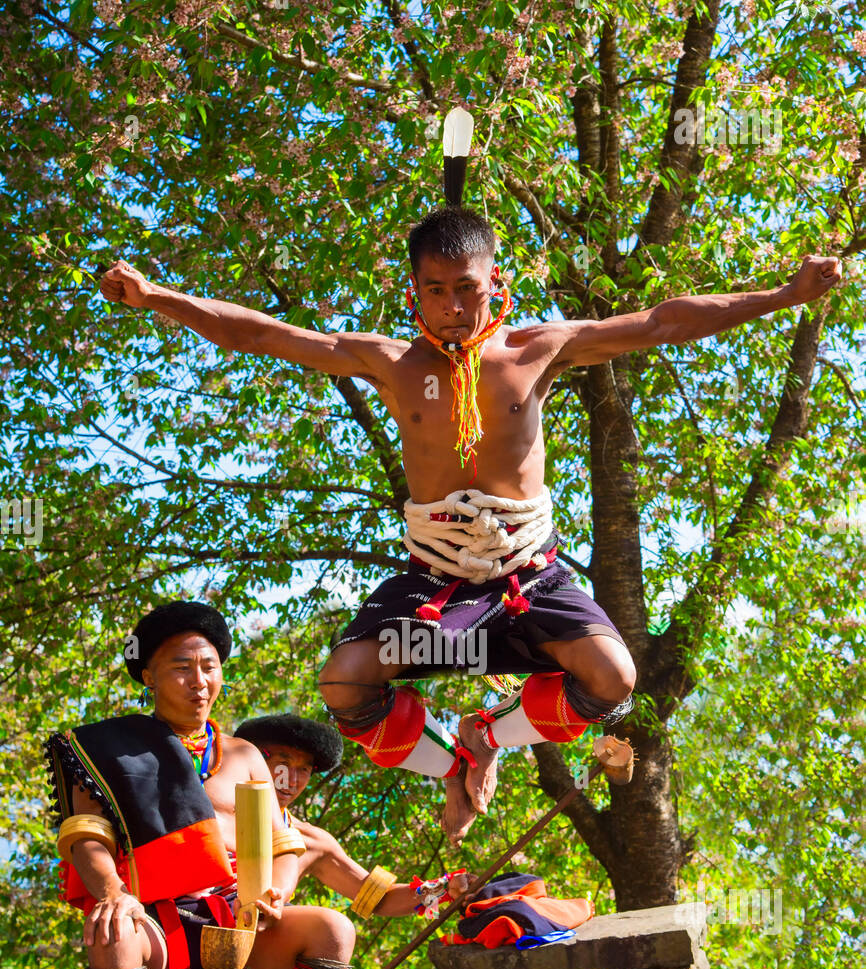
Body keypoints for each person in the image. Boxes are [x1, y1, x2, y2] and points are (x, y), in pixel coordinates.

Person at [98, 136, 841, 847]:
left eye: (467, 290)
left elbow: (662, 321)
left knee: (613, 677)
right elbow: (263, 336)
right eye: (436, 291)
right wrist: (157, 295)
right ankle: (451, 757)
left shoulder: (536, 351)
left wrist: (784, 293)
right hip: (435, 585)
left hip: (528, 574)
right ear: (413, 295)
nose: (453, 305)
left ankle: (491, 732)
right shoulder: (390, 362)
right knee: (345, 684)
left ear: (497, 287)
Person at [46, 602, 360, 969]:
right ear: (148, 675)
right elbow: (85, 837)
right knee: (111, 934)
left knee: (334, 931)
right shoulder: (104, 752)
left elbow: (285, 844)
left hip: (237, 922)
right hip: (154, 922)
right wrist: (114, 894)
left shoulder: (244, 754)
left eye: (209, 666)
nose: (199, 681)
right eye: (180, 668)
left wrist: (275, 891)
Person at [234, 711, 472, 916]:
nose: (292, 779)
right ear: (254, 759)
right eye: (282, 762)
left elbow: (379, 899)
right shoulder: (214, 805)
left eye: (304, 769)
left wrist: (444, 887)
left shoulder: (311, 841)